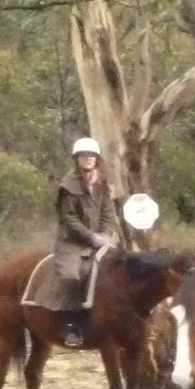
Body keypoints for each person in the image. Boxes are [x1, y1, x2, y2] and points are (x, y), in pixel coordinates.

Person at [40, 136, 118, 345]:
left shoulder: (102, 183)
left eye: (91, 155)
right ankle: (71, 324)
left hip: (102, 239)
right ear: (77, 159)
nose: (88, 159)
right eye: (84, 156)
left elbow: (108, 212)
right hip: (72, 243)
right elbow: (69, 218)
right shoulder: (68, 185)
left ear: (97, 158)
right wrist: (91, 237)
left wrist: (106, 234)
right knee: (71, 276)